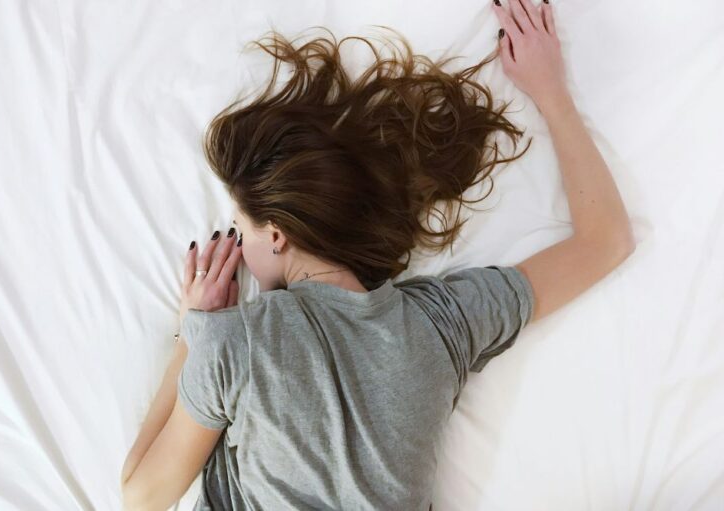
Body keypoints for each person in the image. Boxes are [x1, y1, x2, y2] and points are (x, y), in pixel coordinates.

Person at [120, 1, 635, 509]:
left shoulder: (234, 342)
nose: (238, 243)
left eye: (241, 229)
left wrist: (194, 332)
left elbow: (140, 496)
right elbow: (606, 240)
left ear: (276, 235)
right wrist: (551, 93)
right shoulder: (443, 323)